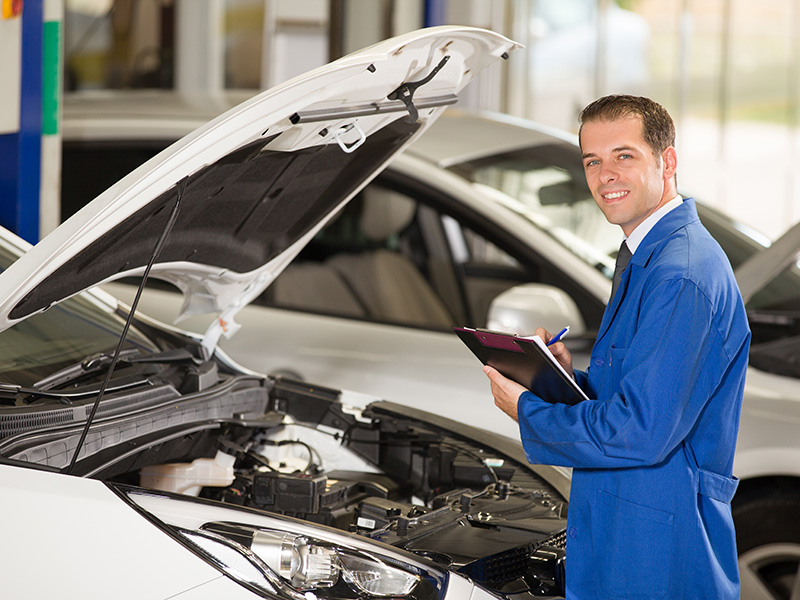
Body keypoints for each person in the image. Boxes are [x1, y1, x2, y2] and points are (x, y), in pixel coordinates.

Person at [483, 95, 750, 599]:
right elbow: (634, 391)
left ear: (666, 161)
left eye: (623, 156)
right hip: (630, 524)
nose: (606, 174)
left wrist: (528, 412)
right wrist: (556, 378)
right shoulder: (646, 255)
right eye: (592, 160)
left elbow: (641, 429)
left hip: (658, 542)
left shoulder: (680, 275)